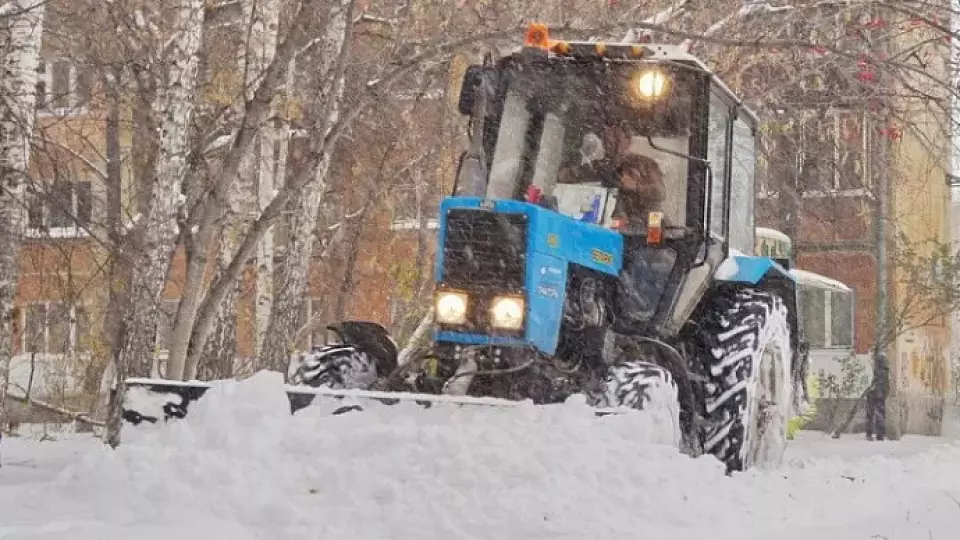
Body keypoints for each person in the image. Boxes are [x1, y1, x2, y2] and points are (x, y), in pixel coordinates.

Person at [865, 353, 889, 441]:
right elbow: (887, 386)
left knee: (870, 415)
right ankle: (880, 435)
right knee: (880, 415)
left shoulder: (875, 371)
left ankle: (869, 434)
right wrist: (885, 394)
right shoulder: (886, 372)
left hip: (873, 395)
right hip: (881, 396)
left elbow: (871, 384)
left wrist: (869, 391)